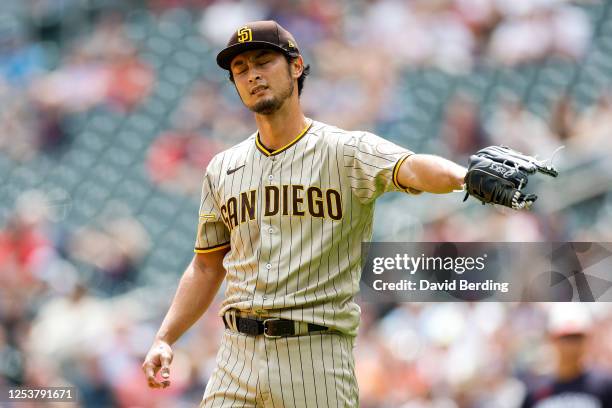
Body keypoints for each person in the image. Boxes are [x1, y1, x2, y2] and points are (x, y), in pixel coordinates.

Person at [141, 20, 521, 407]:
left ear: (296, 66)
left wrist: (464, 176)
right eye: (240, 69)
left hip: (315, 355)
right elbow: (206, 266)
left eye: (263, 61)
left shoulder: (345, 150)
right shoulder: (222, 168)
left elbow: (411, 167)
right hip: (236, 358)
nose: (252, 74)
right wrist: (165, 337)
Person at [521, 305, 612, 408]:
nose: (571, 345)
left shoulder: (604, 385)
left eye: (577, 337)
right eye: (565, 338)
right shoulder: (535, 389)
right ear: (551, 339)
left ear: (587, 339)